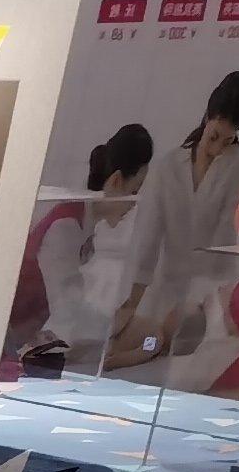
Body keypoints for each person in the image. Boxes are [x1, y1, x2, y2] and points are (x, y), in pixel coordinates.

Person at [111, 71, 239, 368]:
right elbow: (148, 238)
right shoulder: (169, 166)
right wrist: (132, 302)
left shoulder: (235, 163)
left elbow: (224, 238)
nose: (218, 148)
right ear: (207, 117)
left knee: (176, 345)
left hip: (202, 295)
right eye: (214, 136)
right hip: (164, 289)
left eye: (228, 140)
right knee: (150, 342)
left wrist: (209, 302)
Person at [11, 124, 152, 370]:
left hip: (31, 334)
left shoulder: (84, 225)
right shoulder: (65, 228)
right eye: (135, 191)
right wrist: (114, 324)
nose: (134, 203)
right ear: (116, 181)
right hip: (12, 337)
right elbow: (67, 310)